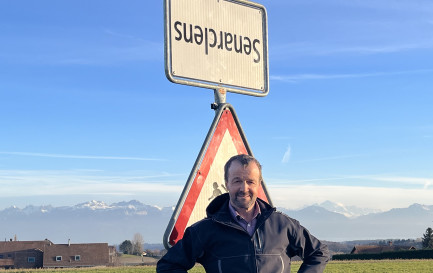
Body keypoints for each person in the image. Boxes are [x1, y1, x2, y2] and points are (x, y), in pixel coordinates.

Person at [157, 154, 329, 273]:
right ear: (226, 184)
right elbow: (168, 265)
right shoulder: (203, 231)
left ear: (259, 184)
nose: (244, 188)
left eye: (250, 182)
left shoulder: (283, 225)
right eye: (237, 181)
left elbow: (319, 252)